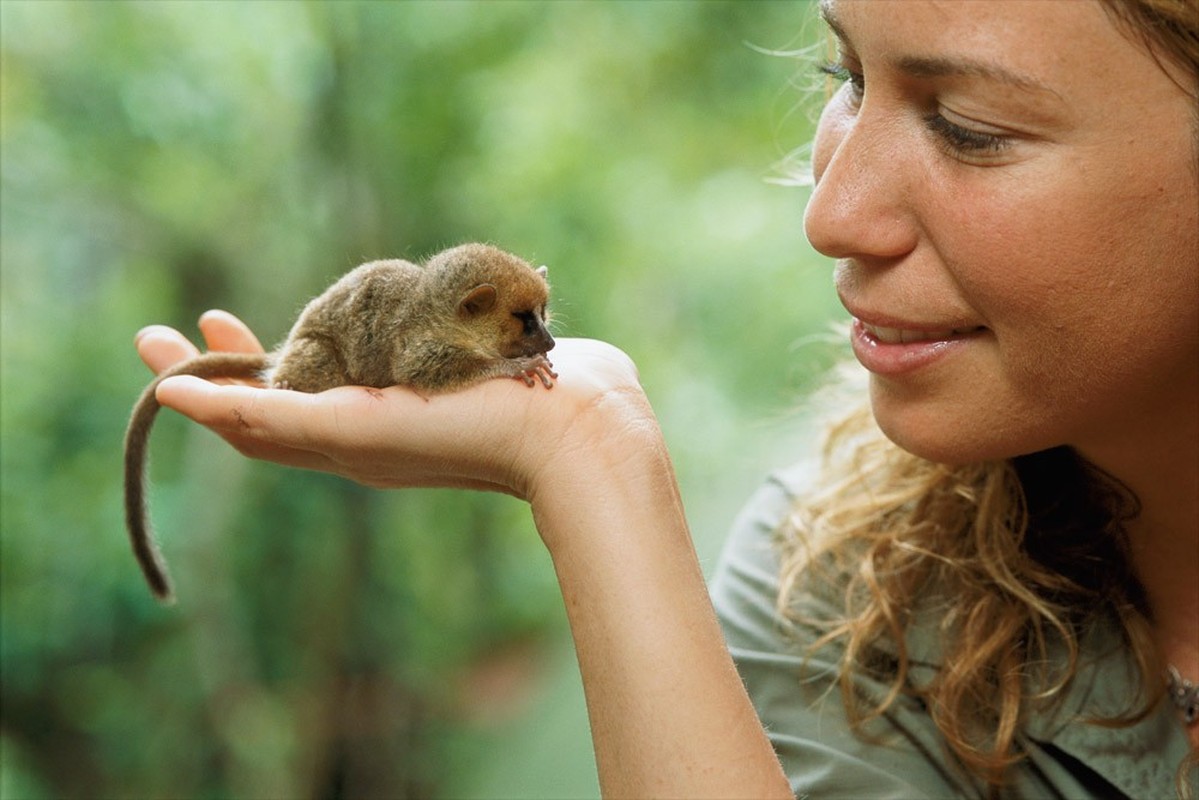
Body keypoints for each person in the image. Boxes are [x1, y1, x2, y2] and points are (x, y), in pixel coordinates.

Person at [134, 0, 1197, 797]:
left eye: (965, 124)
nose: (827, 214)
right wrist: (589, 464)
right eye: (843, 74)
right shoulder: (841, 583)